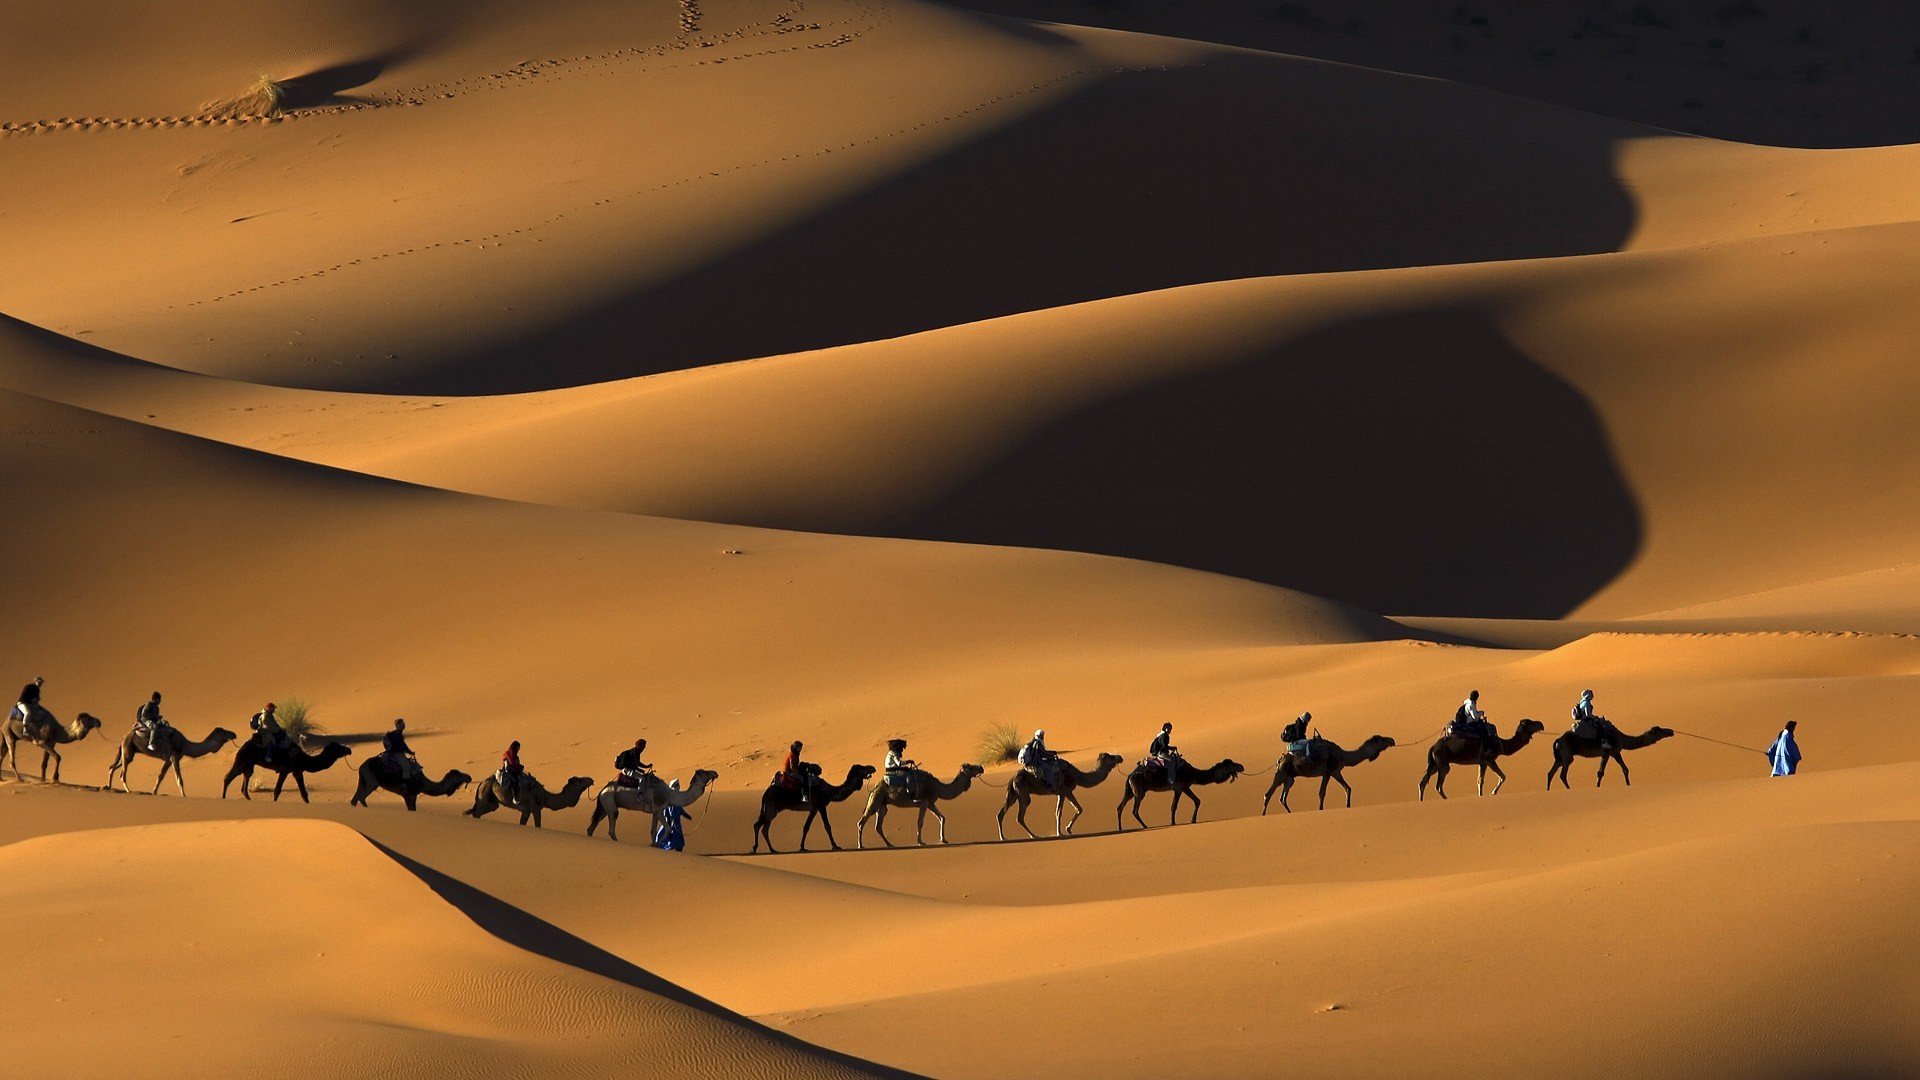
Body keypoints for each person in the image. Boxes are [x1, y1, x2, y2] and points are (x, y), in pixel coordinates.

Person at [654, 779, 688, 852]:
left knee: (678, 836)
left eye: (677, 785)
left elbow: (679, 808)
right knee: (662, 834)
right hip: (669, 820)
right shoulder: (669, 798)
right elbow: (668, 809)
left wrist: (685, 814)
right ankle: (658, 846)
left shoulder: (677, 798)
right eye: (676, 785)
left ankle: (677, 849)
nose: (677, 787)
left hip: (676, 821)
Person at [781, 740, 814, 805]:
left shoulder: (795, 753)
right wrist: (799, 771)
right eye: (799, 748)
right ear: (796, 747)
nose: (800, 749)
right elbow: (792, 767)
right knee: (802, 778)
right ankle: (804, 796)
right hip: (789, 772)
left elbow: (796, 764)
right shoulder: (792, 754)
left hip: (791, 770)